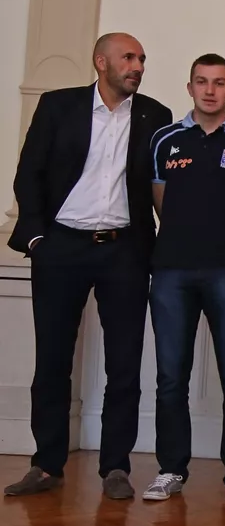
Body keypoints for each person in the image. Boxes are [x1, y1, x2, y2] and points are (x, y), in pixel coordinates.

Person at [4, 33, 172, 500]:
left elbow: (161, 187)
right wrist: (37, 239)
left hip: (125, 250)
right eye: (128, 58)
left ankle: (115, 466)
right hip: (62, 247)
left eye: (141, 58)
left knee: (125, 362)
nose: (137, 66)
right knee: (53, 359)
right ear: (101, 62)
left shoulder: (154, 115)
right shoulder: (58, 106)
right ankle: (46, 464)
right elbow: (28, 173)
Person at [141, 54, 225, 504]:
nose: (210, 90)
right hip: (171, 272)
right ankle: (171, 469)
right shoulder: (165, 140)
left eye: (219, 83)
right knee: (170, 377)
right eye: (202, 82)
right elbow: (162, 203)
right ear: (190, 87)